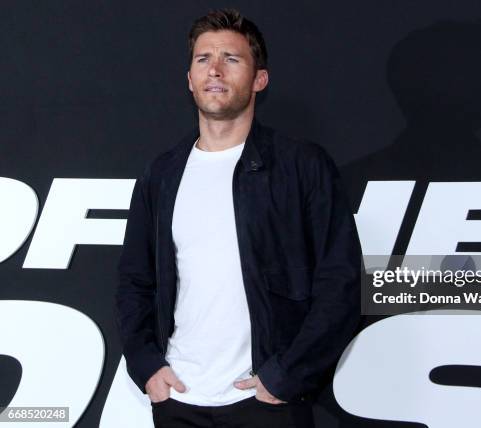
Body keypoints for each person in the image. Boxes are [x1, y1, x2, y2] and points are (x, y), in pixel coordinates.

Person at [115, 8, 362, 428]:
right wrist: (147, 368)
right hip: (179, 400)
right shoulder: (162, 174)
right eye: (202, 59)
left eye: (231, 59)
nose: (214, 69)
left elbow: (341, 283)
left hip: (267, 403)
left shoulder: (302, 166)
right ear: (189, 79)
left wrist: (286, 375)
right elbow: (135, 282)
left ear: (259, 79)